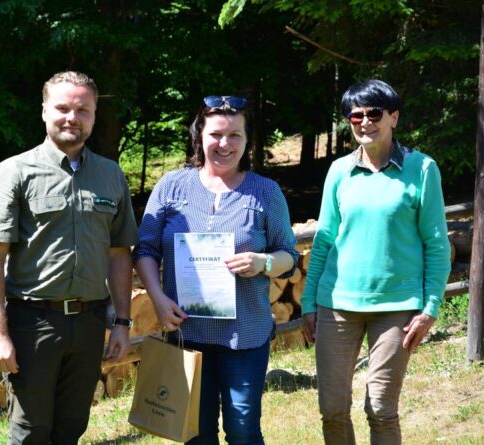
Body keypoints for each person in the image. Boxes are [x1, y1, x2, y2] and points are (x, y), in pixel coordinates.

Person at [0, 71, 139, 445]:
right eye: (63, 108)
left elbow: (120, 252)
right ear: (44, 111)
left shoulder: (111, 175)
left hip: (89, 322)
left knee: (72, 426)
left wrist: (122, 322)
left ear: (94, 115)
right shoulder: (14, 172)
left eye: (83, 110)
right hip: (34, 323)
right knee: (31, 431)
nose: (72, 117)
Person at [134, 95, 299, 445]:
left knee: (242, 431)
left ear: (247, 139)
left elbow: (289, 255)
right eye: (216, 134)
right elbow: (145, 249)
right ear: (199, 135)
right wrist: (158, 299)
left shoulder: (266, 192)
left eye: (235, 135)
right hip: (186, 333)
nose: (225, 144)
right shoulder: (171, 187)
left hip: (245, 336)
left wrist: (263, 263)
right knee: (196, 433)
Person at [301, 79, 451, 444]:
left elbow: (436, 244)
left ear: (394, 117)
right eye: (356, 115)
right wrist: (308, 302)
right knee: (332, 409)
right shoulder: (339, 170)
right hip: (335, 304)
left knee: (381, 409)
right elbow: (324, 239)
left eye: (375, 113)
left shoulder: (422, 169)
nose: (365, 122)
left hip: (397, 307)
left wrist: (430, 306)